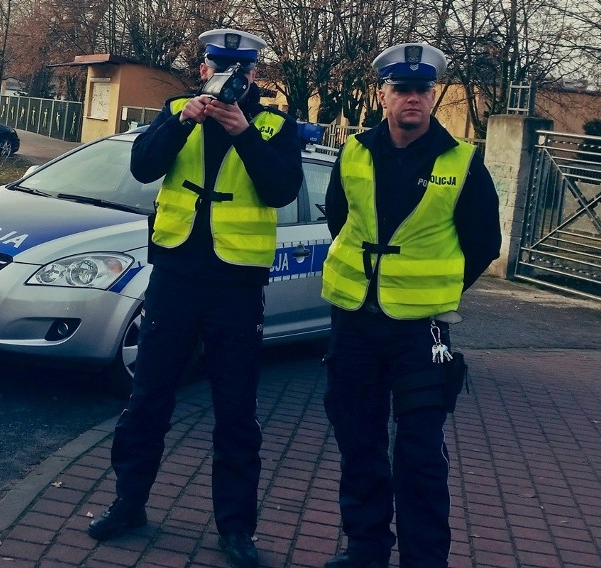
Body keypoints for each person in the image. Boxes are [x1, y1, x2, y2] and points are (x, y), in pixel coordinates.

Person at [86, 28, 304, 568]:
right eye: (219, 67)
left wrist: (244, 133)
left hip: (236, 286)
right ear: (204, 70)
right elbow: (142, 167)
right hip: (176, 277)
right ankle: (128, 503)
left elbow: (281, 191)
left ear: (254, 77)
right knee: (148, 400)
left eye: (241, 70)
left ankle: (236, 529)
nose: (229, 78)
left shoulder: (274, 126)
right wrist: (183, 121)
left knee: (236, 413)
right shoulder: (177, 109)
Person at [320, 43, 501, 568]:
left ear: (432, 96)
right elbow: (340, 220)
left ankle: (425, 559)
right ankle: (366, 548)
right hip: (354, 321)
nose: (413, 99)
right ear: (383, 95)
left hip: (422, 331)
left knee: (420, 455)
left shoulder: (461, 162)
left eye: (422, 90)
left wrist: (434, 290)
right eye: (402, 89)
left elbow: (483, 243)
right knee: (359, 442)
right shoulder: (354, 152)